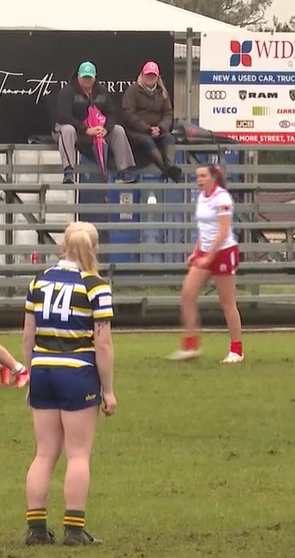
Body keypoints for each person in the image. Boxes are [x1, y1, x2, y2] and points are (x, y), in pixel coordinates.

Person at [22, 221, 116, 546]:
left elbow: (28, 335)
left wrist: (29, 374)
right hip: (77, 371)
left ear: (63, 245)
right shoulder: (95, 286)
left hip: (43, 369)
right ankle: (74, 530)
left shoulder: (39, 280)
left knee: (44, 453)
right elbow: (102, 344)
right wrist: (108, 390)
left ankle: (36, 529)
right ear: (94, 249)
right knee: (78, 455)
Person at [169, 165, 243, 363]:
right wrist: (196, 251)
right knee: (187, 294)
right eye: (197, 176)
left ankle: (236, 349)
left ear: (213, 177)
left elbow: (223, 230)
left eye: (203, 176)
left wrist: (210, 256)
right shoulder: (202, 196)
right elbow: (204, 229)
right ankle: (191, 346)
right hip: (206, 250)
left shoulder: (222, 198)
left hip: (224, 252)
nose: (199, 179)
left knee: (227, 303)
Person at [54, 61, 137, 184]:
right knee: (67, 130)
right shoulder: (68, 91)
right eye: (84, 78)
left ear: (94, 78)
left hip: (96, 130)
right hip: (75, 130)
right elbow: (64, 116)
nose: (87, 81)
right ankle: (68, 172)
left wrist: (106, 128)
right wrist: (85, 129)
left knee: (118, 130)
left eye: (89, 78)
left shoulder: (101, 91)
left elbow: (111, 112)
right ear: (78, 77)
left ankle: (124, 171)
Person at [121, 61, 182, 183]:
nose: (150, 78)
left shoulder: (162, 93)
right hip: (137, 131)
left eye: (153, 76)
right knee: (148, 141)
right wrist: (147, 129)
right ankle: (166, 170)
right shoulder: (132, 91)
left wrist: (161, 128)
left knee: (169, 139)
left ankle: (170, 166)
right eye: (148, 75)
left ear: (157, 77)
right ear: (142, 75)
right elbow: (129, 114)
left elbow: (168, 114)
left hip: (159, 130)